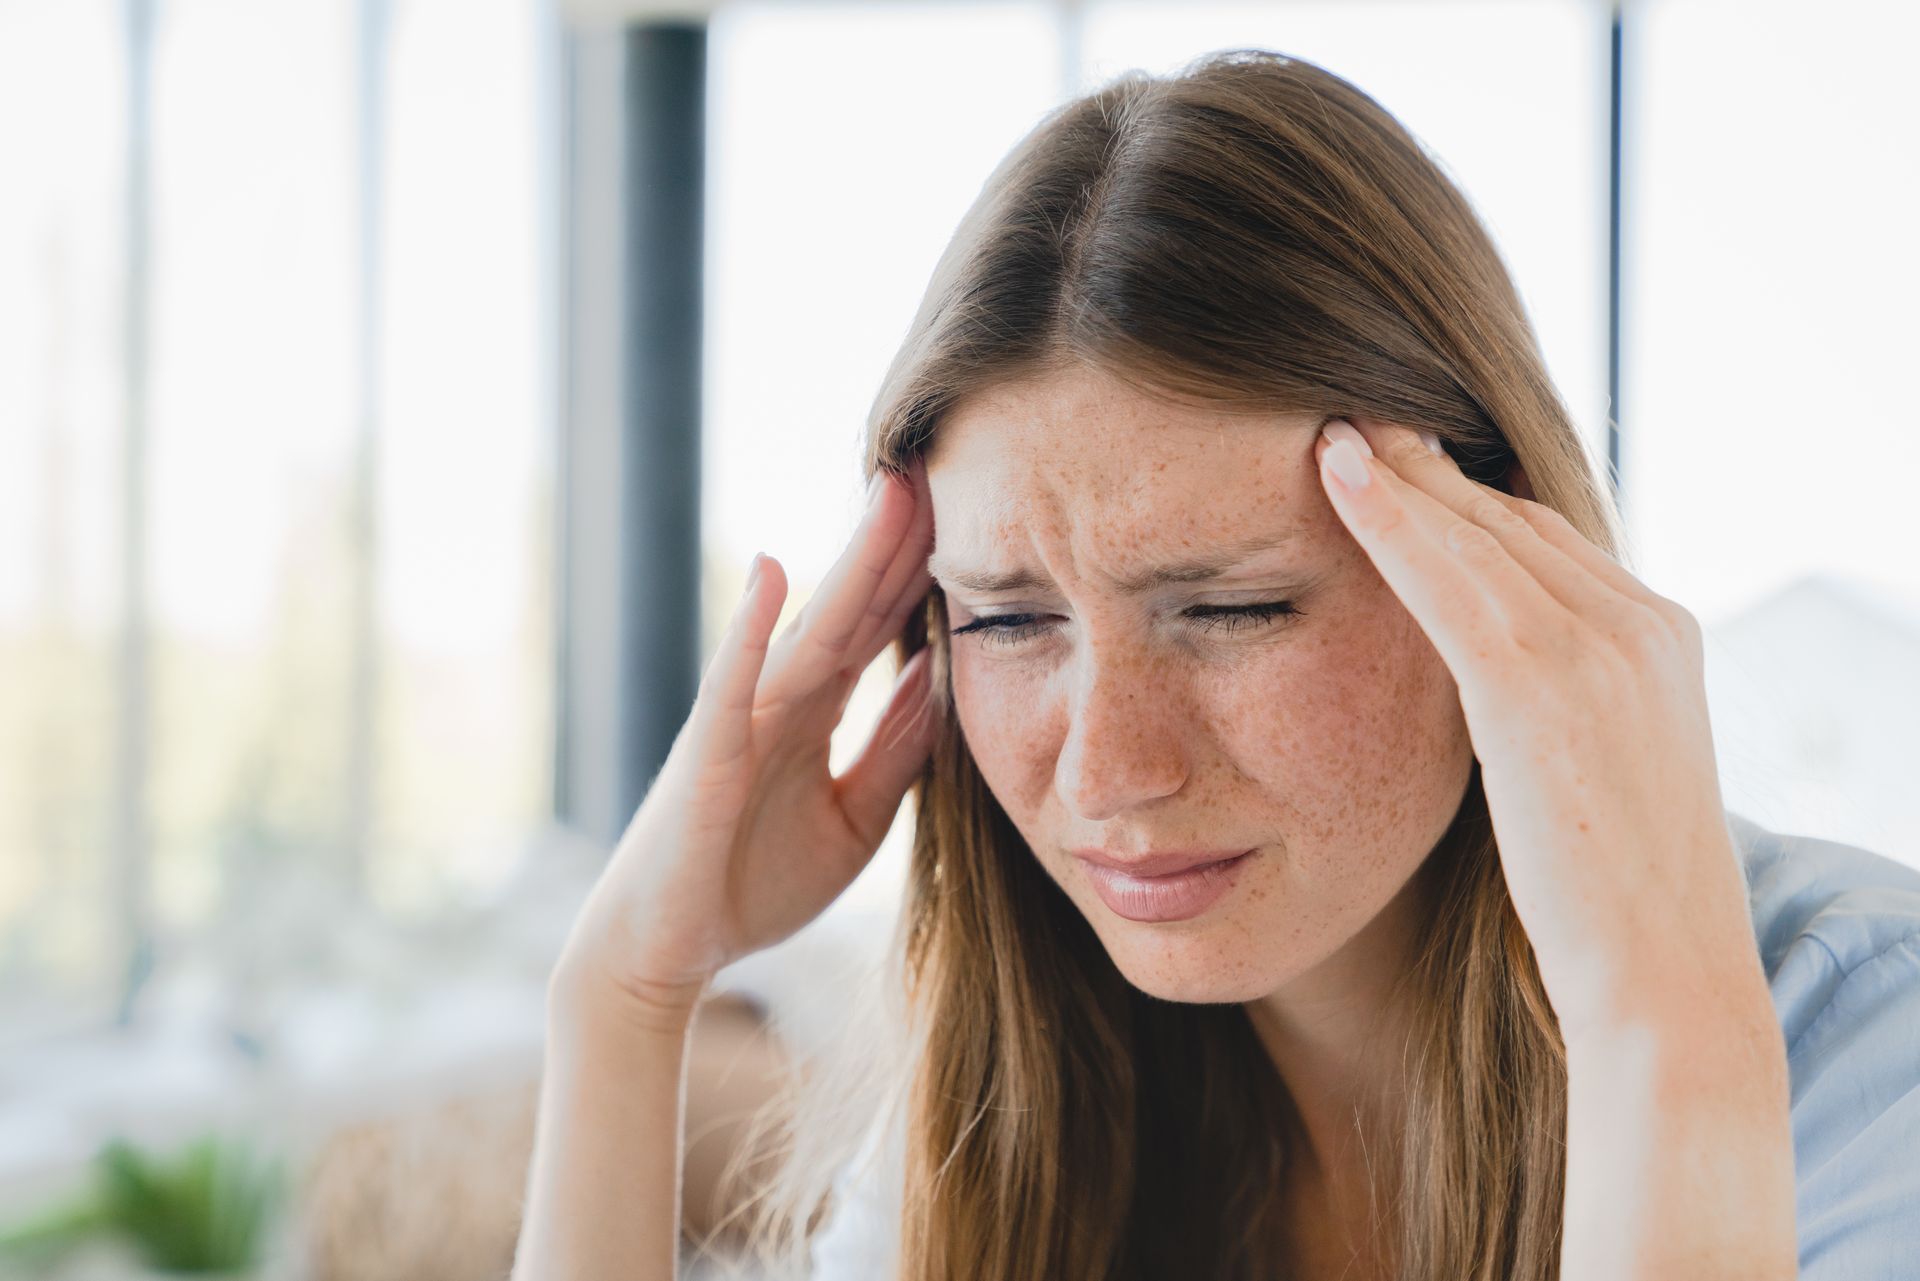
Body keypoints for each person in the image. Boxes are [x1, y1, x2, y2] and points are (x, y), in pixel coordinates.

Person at [509, 50, 1920, 1281]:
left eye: (1234, 610)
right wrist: (625, 995)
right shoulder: (1031, 1112)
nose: (1108, 770)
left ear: (1506, 575)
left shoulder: (1868, 1059)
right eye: (1008, 619)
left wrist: (1659, 1041)